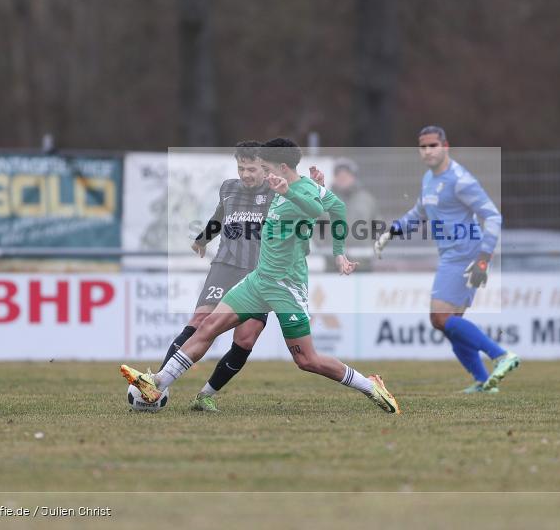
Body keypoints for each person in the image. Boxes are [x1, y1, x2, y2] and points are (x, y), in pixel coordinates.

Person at [122, 138, 400, 414]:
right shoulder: (277, 184)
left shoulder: (296, 189)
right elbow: (336, 207)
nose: (259, 172)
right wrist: (339, 252)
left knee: (307, 360)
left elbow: (321, 209)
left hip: (286, 286)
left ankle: (370, 385)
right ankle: (157, 383)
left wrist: (334, 246)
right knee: (208, 327)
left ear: (279, 167)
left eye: (264, 167)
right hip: (258, 280)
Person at [155, 141, 331, 413]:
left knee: (245, 340)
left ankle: (205, 395)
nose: (246, 174)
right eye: (241, 168)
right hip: (226, 265)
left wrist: (320, 186)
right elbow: (219, 216)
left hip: (260, 273)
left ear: (264, 167)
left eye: (251, 169)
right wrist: (202, 240)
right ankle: (157, 383)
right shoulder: (228, 188)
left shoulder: (278, 190)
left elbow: (306, 201)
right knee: (201, 320)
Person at [373, 125, 519, 393]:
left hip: (466, 255)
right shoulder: (429, 180)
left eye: (433, 145)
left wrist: (483, 260)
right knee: (449, 324)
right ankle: (484, 382)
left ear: (445, 146)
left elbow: (494, 217)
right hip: (453, 254)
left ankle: (501, 355)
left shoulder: (461, 180)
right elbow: (418, 213)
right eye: (423, 146)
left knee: (440, 318)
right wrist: (391, 232)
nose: (428, 151)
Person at [329, 158, 377, 268]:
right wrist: (325, 247)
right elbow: (315, 225)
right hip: (333, 265)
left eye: (346, 175)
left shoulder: (367, 199)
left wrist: (370, 247)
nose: (342, 179)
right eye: (339, 176)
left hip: (362, 264)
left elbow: (378, 225)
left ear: (354, 177)